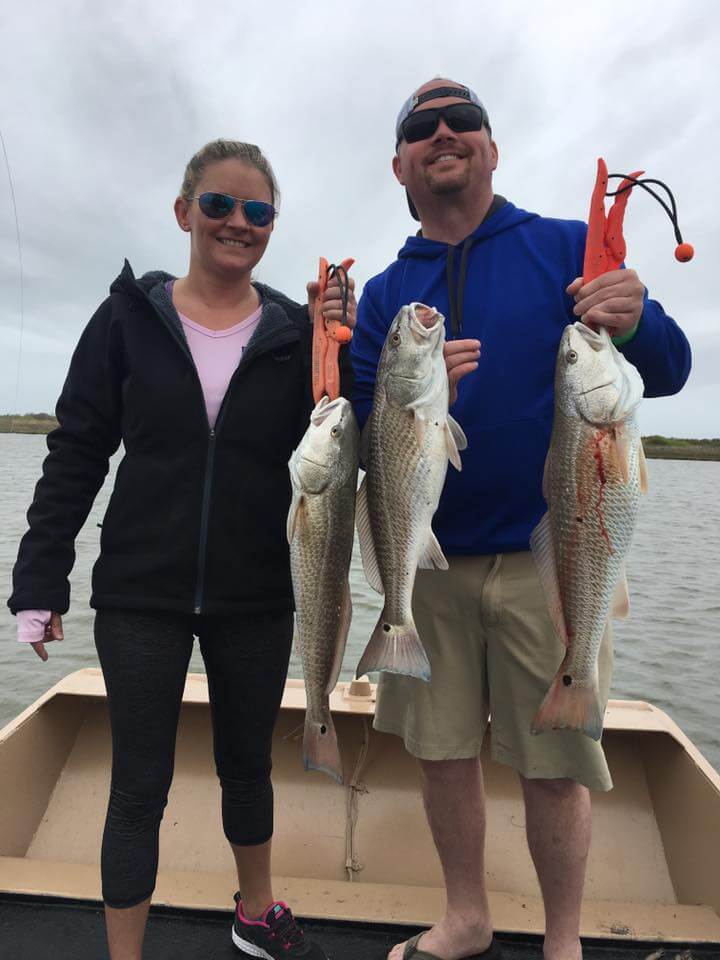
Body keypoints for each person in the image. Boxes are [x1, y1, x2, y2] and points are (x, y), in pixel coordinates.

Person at [350, 80, 691, 960]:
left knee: (554, 758)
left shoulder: (567, 249)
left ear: (493, 149)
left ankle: (564, 940)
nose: (444, 134)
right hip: (428, 562)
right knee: (440, 751)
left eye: (463, 121)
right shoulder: (387, 292)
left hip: (560, 551)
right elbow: (358, 424)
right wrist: (386, 383)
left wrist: (639, 316)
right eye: (421, 129)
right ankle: (466, 916)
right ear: (400, 166)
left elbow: (672, 368)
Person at [8, 138, 355, 960]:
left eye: (258, 212)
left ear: (272, 226)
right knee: (137, 786)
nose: (238, 223)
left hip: (259, 592)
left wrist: (336, 336)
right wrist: (39, 580)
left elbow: (346, 437)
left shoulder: (294, 327)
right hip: (140, 593)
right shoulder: (128, 316)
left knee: (247, 767)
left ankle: (255, 914)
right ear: (183, 212)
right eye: (220, 206)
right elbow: (78, 449)